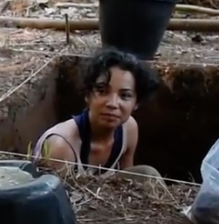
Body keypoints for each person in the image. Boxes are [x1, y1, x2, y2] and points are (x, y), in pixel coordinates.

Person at [31, 47, 165, 187]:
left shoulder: (128, 129)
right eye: (102, 91)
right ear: (88, 95)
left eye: (125, 95)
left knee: (147, 174)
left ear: (136, 103)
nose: (113, 104)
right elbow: (55, 201)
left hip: (103, 199)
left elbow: (127, 189)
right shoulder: (61, 146)